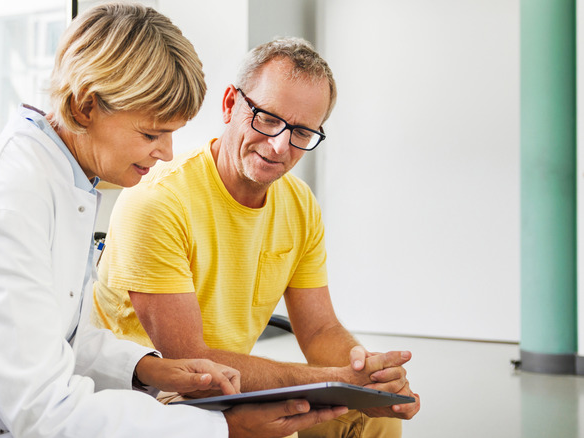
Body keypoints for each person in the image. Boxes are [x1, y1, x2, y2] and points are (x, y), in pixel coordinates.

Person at [0, 6, 348, 438]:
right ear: (85, 105)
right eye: (152, 133)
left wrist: (151, 369)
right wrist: (220, 428)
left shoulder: (66, 181)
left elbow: (61, 335)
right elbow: (46, 414)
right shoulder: (3, 201)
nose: (167, 152)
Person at [93, 37, 421, 438]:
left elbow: (319, 331)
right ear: (231, 104)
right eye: (267, 117)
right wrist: (333, 379)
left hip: (234, 386)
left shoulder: (299, 204)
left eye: (302, 131)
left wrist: (369, 374)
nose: (280, 144)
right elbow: (189, 360)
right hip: (156, 393)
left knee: (375, 415)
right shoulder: (158, 201)